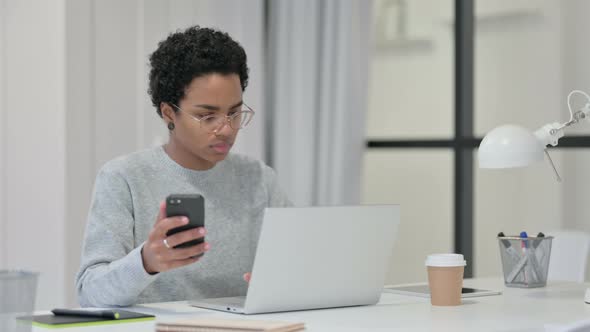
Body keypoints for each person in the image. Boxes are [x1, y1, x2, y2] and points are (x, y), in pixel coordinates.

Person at [75, 26, 291, 307]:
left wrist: (280, 279)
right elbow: (89, 294)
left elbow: (296, 262)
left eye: (235, 113)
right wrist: (146, 262)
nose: (226, 129)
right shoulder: (124, 178)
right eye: (207, 116)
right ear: (169, 113)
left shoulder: (259, 178)